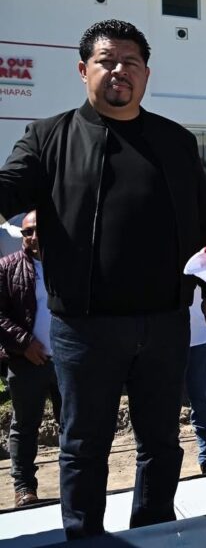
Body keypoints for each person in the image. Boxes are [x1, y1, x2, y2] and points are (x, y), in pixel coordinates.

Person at [0, 20, 206, 539]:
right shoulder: (48, 137)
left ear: (146, 74)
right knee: (83, 445)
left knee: (161, 443)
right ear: (84, 70)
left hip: (165, 320)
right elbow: (9, 188)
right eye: (107, 61)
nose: (119, 70)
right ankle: (84, 538)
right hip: (84, 327)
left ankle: (154, 532)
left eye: (131, 62)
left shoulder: (175, 140)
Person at [0, 211, 62, 507]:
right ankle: (24, 488)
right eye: (27, 233)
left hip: (67, 361)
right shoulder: (7, 267)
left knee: (74, 424)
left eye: (39, 230)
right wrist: (24, 343)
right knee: (25, 426)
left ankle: (77, 482)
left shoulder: (69, 264)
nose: (34, 237)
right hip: (26, 362)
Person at [185, 285, 206, 475]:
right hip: (163, 339)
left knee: (201, 399)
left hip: (198, 335)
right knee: (165, 404)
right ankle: (164, 461)